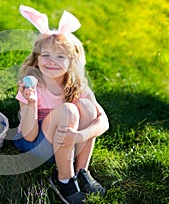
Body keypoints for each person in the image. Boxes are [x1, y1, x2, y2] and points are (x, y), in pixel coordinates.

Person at [13, 5, 109, 204]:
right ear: (37, 59)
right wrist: (31, 103)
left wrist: (80, 135)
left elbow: (103, 122)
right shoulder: (32, 87)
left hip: (66, 143)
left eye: (60, 56)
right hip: (36, 146)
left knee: (88, 108)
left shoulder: (77, 86)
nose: (51, 61)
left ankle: (82, 171)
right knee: (68, 110)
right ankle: (63, 179)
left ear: (71, 61)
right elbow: (29, 136)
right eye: (45, 55)